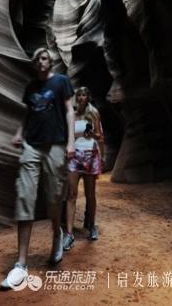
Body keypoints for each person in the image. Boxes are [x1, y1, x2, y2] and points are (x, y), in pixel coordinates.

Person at [0, 47, 75, 290]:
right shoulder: (31, 87)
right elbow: (28, 113)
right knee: (25, 196)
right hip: (32, 146)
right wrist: (19, 132)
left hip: (55, 144)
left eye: (44, 57)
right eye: (37, 58)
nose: (40, 61)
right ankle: (21, 263)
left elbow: (69, 111)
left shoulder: (62, 82)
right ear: (34, 64)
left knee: (54, 198)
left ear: (50, 61)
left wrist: (71, 141)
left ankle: (56, 235)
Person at [63, 86, 104, 249]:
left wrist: (92, 134)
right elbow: (68, 136)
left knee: (90, 194)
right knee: (71, 194)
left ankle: (91, 226)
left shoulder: (93, 113)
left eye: (84, 95)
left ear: (88, 97)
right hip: (75, 157)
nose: (81, 97)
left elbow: (100, 136)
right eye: (78, 95)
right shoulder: (71, 114)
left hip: (90, 155)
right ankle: (69, 234)